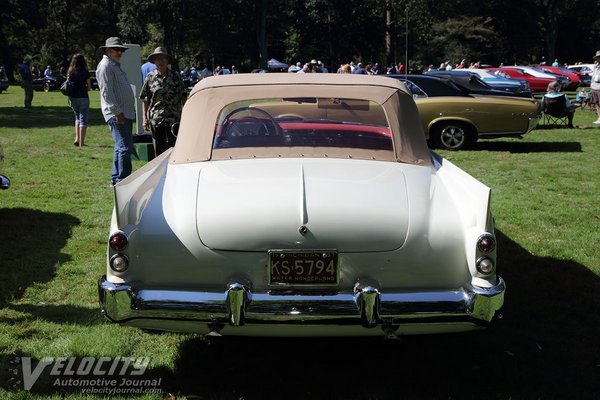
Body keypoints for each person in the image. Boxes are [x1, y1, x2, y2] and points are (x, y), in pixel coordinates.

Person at [96, 37, 135, 186]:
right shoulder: (106, 66)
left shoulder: (113, 65)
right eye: (116, 49)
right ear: (108, 50)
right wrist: (118, 112)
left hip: (122, 112)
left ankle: (116, 179)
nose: (119, 52)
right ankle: (123, 180)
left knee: (121, 146)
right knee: (125, 147)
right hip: (117, 113)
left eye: (121, 50)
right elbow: (106, 93)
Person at [140, 47, 188, 156]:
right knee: (159, 152)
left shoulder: (176, 77)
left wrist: (186, 116)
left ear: (167, 61)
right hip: (156, 120)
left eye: (163, 59)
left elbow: (183, 97)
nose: (160, 61)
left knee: (176, 150)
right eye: (157, 59)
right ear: (154, 62)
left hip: (174, 119)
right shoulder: (150, 77)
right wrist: (144, 118)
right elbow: (145, 99)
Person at [66, 54, 91, 147]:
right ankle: (82, 142)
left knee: (77, 118)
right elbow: (89, 87)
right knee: (83, 118)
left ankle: (77, 138)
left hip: (72, 97)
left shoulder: (70, 71)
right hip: (83, 97)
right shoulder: (85, 72)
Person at [590, 50, 600, 125]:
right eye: (597, 58)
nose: (597, 59)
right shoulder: (596, 66)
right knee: (596, 103)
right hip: (594, 87)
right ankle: (599, 118)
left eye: (598, 57)